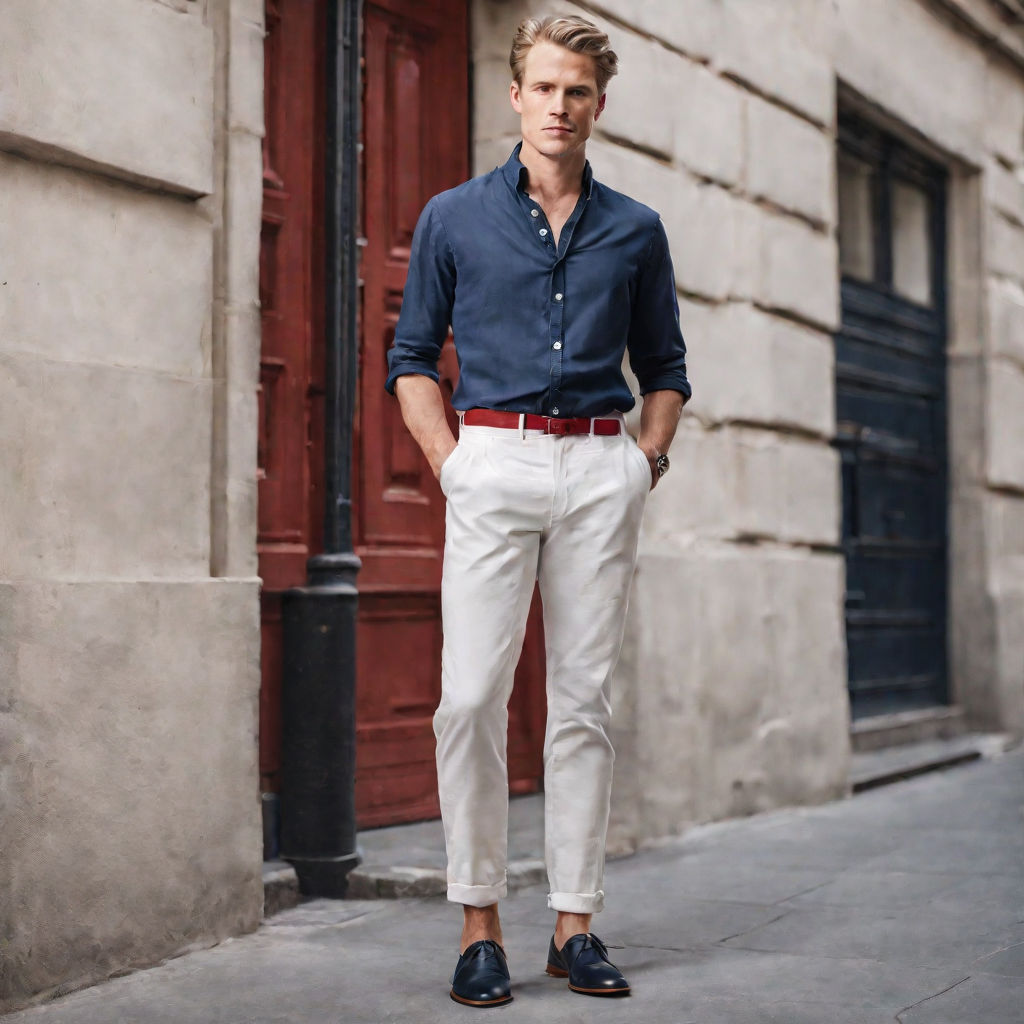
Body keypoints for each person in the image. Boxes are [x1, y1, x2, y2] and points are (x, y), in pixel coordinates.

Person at [385, 13, 691, 1008]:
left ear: (599, 105)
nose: (560, 107)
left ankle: (574, 924)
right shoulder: (453, 218)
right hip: (493, 461)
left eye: (579, 93)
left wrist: (646, 459)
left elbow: (666, 366)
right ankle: (480, 926)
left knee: (580, 704)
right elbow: (410, 359)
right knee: (469, 697)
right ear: (514, 95)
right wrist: (452, 463)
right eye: (545, 88)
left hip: (601, 467)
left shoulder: (635, 228)